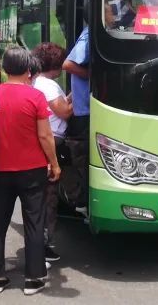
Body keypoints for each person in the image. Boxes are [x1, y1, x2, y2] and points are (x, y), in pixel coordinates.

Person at [0, 47, 62, 296]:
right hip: (32, 169)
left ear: (5, 69)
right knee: (34, 222)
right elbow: (45, 135)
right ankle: (34, 277)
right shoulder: (35, 97)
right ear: (29, 69)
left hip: (0, 168)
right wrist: (55, 163)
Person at [31, 42, 73, 263]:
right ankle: (44, 245)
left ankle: (41, 242)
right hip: (52, 141)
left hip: (42, 140)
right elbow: (64, 112)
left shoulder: (37, 82)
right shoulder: (48, 85)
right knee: (49, 197)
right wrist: (77, 96)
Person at [61, 26, 90, 215]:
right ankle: (80, 198)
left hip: (86, 108)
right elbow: (68, 64)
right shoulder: (91, 33)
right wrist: (94, 75)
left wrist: (71, 96)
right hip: (86, 112)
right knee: (82, 157)